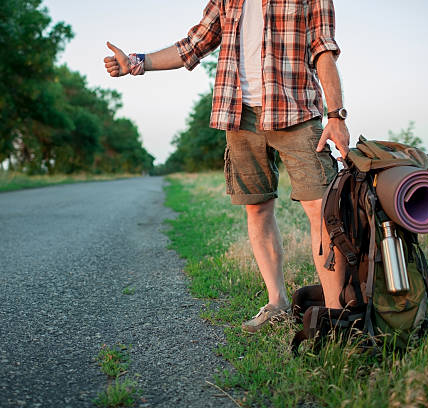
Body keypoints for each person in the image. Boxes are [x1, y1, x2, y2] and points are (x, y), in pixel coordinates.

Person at [104, 0, 350, 333]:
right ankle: (276, 303)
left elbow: (324, 50)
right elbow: (194, 45)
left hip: (295, 111)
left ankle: (336, 317)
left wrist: (336, 115)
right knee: (257, 208)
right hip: (238, 114)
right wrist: (137, 62)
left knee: (322, 209)